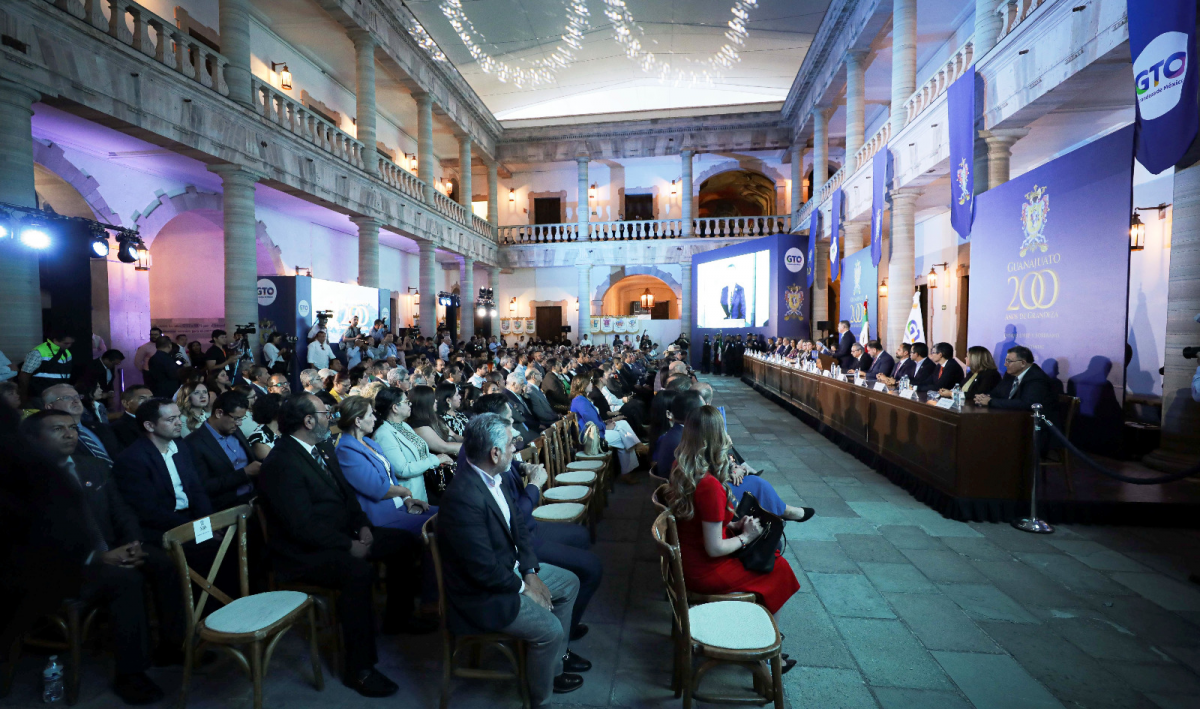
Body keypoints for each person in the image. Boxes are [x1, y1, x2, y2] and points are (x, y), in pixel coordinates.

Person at [257, 394, 435, 698]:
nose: (331, 417)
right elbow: (301, 526)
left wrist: (364, 526)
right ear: (309, 421)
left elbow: (348, 498)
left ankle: (398, 618)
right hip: (303, 553)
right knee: (357, 573)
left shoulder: (322, 448)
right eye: (326, 412)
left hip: (340, 535)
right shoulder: (281, 462)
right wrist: (348, 544)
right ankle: (360, 669)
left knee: (404, 542)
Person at [438, 413, 588, 706]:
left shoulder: (495, 475)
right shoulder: (463, 497)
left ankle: (552, 669)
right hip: (481, 595)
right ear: (494, 453)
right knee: (550, 630)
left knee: (569, 583)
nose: (514, 449)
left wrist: (531, 572)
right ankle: (539, 698)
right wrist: (525, 588)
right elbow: (482, 570)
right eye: (510, 444)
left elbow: (518, 525)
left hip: (509, 572)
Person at [21, 410, 168, 704]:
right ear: (33, 439)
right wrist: (98, 558)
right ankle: (130, 675)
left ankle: (173, 645)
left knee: (164, 561)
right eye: (58, 429)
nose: (69, 434)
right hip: (60, 571)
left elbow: (122, 511)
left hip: (111, 549)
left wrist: (133, 543)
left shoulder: (94, 466)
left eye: (73, 428)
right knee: (126, 581)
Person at [665, 405, 799, 668]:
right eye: (723, 433)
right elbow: (714, 548)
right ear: (715, 439)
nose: (728, 439)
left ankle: (762, 633)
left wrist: (735, 526)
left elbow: (699, 524)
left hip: (688, 557)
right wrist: (746, 537)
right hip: (703, 569)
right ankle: (766, 648)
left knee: (770, 559)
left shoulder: (683, 466)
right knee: (779, 569)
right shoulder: (710, 486)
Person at [657, 391, 813, 522]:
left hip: (693, 495)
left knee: (755, 483)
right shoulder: (682, 440)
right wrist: (728, 472)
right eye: (706, 407)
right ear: (697, 415)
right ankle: (780, 514)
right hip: (699, 501)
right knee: (757, 485)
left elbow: (702, 467)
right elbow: (701, 479)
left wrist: (731, 467)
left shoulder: (679, 435)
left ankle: (776, 514)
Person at [334, 395, 435, 536]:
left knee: (445, 515)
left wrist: (407, 500)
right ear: (358, 421)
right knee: (440, 525)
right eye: (370, 415)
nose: (375, 419)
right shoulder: (346, 450)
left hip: (399, 507)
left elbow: (390, 477)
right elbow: (377, 489)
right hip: (381, 517)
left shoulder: (369, 442)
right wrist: (404, 492)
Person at [373, 386, 452, 503]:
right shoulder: (384, 434)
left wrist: (441, 459)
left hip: (423, 487)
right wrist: (435, 460)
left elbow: (421, 454)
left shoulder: (403, 425)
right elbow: (402, 469)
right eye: (406, 402)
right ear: (395, 408)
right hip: (408, 495)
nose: (410, 404)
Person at [185, 390, 259, 510]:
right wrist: (244, 473)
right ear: (219, 413)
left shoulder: (234, 429)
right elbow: (205, 486)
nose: (239, 424)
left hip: (255, 497)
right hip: (228, 506)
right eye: (236, 418)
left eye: (241, 419)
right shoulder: (194, 443)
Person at [569, 373, 638, 475]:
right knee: (622, 438)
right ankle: (628, 471)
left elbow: (593, 419)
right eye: (589, 383)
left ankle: (636, 448)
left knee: (622, 423)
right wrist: (605, 427)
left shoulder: (582, 399)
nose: (591, 385)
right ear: (583, 385)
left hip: (596, 430)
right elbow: (591, 422)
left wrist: (605, 422)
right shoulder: (580, 401)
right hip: (591, 437)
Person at [41, 383, 119, 463]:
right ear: (49, 407)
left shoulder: (102, 428)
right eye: (67, 398)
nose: (76, 401)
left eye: (77, 397)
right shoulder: (48, 438)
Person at [975, 345, 1058, 413]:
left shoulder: (1036, 378)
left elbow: (1027, 404)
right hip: (1015, 418)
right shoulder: (1010, 375)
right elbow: (997, 393)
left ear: (1023, 363)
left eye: (1009, 361)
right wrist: (984, 397)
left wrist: (990, 401)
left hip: (1036, 426)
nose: (1005, 364)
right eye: (1005, 360)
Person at [18, 330, 75, 402]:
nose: (69, 346)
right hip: (40, 395)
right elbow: (24, 375)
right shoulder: (38, 352)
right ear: (55, 340)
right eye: (66, 343)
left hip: (59, 394)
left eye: (71, 343)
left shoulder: (67, 352)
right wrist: (24, 395)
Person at [113, 385, 152, 450]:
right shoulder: (119, 428)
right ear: (126, 403)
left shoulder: (158, 421)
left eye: (151, 398)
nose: (150, 402)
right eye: (142, 398)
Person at [248, 392, 283, 461]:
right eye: (283, 407)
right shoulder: (259, 438)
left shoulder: (285, 430)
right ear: (273, 410)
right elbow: (274, 464)